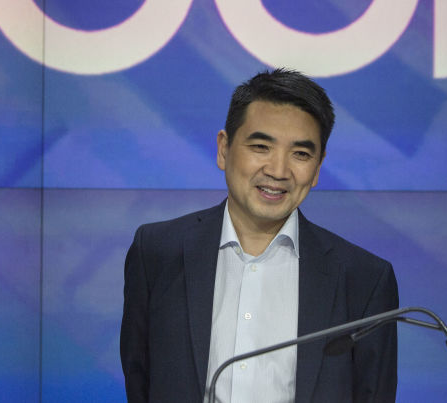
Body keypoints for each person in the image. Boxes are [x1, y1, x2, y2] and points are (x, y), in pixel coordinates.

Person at [120, 68, 398, 402]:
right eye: (261, 146)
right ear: (224, 149)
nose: (278, 171)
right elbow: (139, 380)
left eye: (300, 154)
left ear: (319, 166)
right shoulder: (158, 252)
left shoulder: (363, 279)